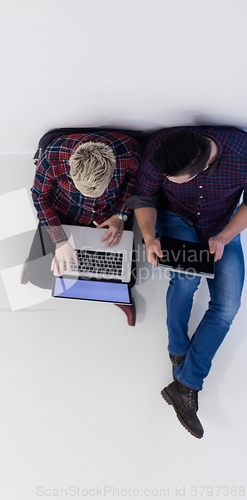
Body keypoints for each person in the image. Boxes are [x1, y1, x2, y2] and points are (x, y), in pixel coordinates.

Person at [127, 126, 247, 438]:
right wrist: (150, 237)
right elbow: (144, 196)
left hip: (223, 223)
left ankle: (185, 384)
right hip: (176, 218)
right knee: (185, 278)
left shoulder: (242, 150)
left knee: (228, 306)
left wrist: (225, 236)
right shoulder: (160, 149)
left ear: (204, 165)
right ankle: (178, 351)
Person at [24, 131, 141, 325]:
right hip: (65, 213)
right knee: (37, 276)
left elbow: (137, 179)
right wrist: (60, 240)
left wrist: (121, 214)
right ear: (70, 168)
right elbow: (39, 196)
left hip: (109, 217)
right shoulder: (53, 156)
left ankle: (111, 292)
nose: (91, 199)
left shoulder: (128, 152)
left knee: (129, 280)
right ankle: (107, 293)